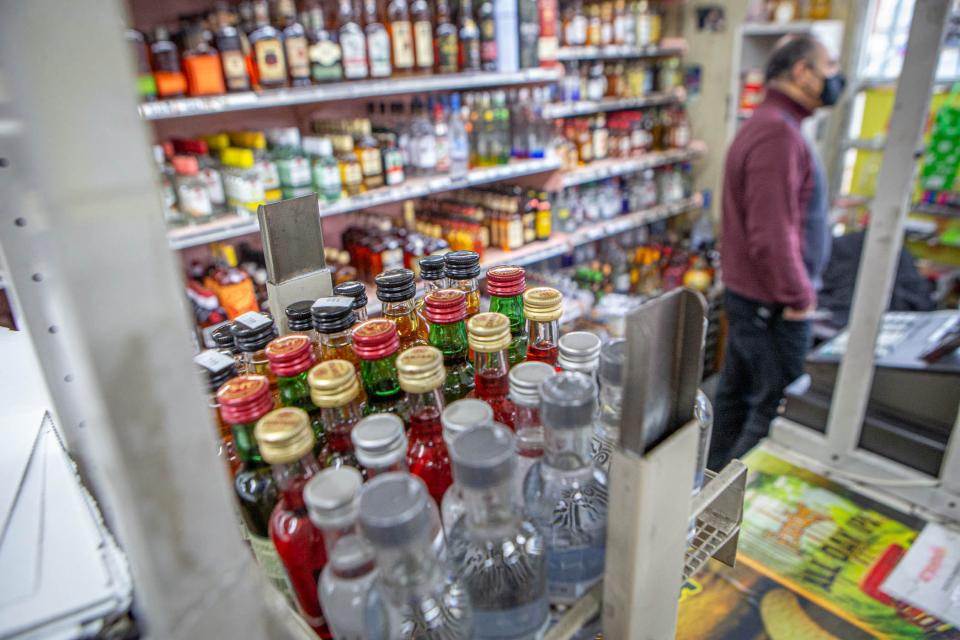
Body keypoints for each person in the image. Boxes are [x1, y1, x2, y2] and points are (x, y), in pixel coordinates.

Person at [708, 35, 845, 468]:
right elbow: (770, 235)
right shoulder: (777, 133)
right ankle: (734, 509)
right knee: (772, 409)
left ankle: (706, 493)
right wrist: (800, 299)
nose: (834, 77)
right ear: (802, 71)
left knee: (735, 399)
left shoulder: (771, 124)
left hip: (756, 301)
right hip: (774, 307)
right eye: (829, 66)